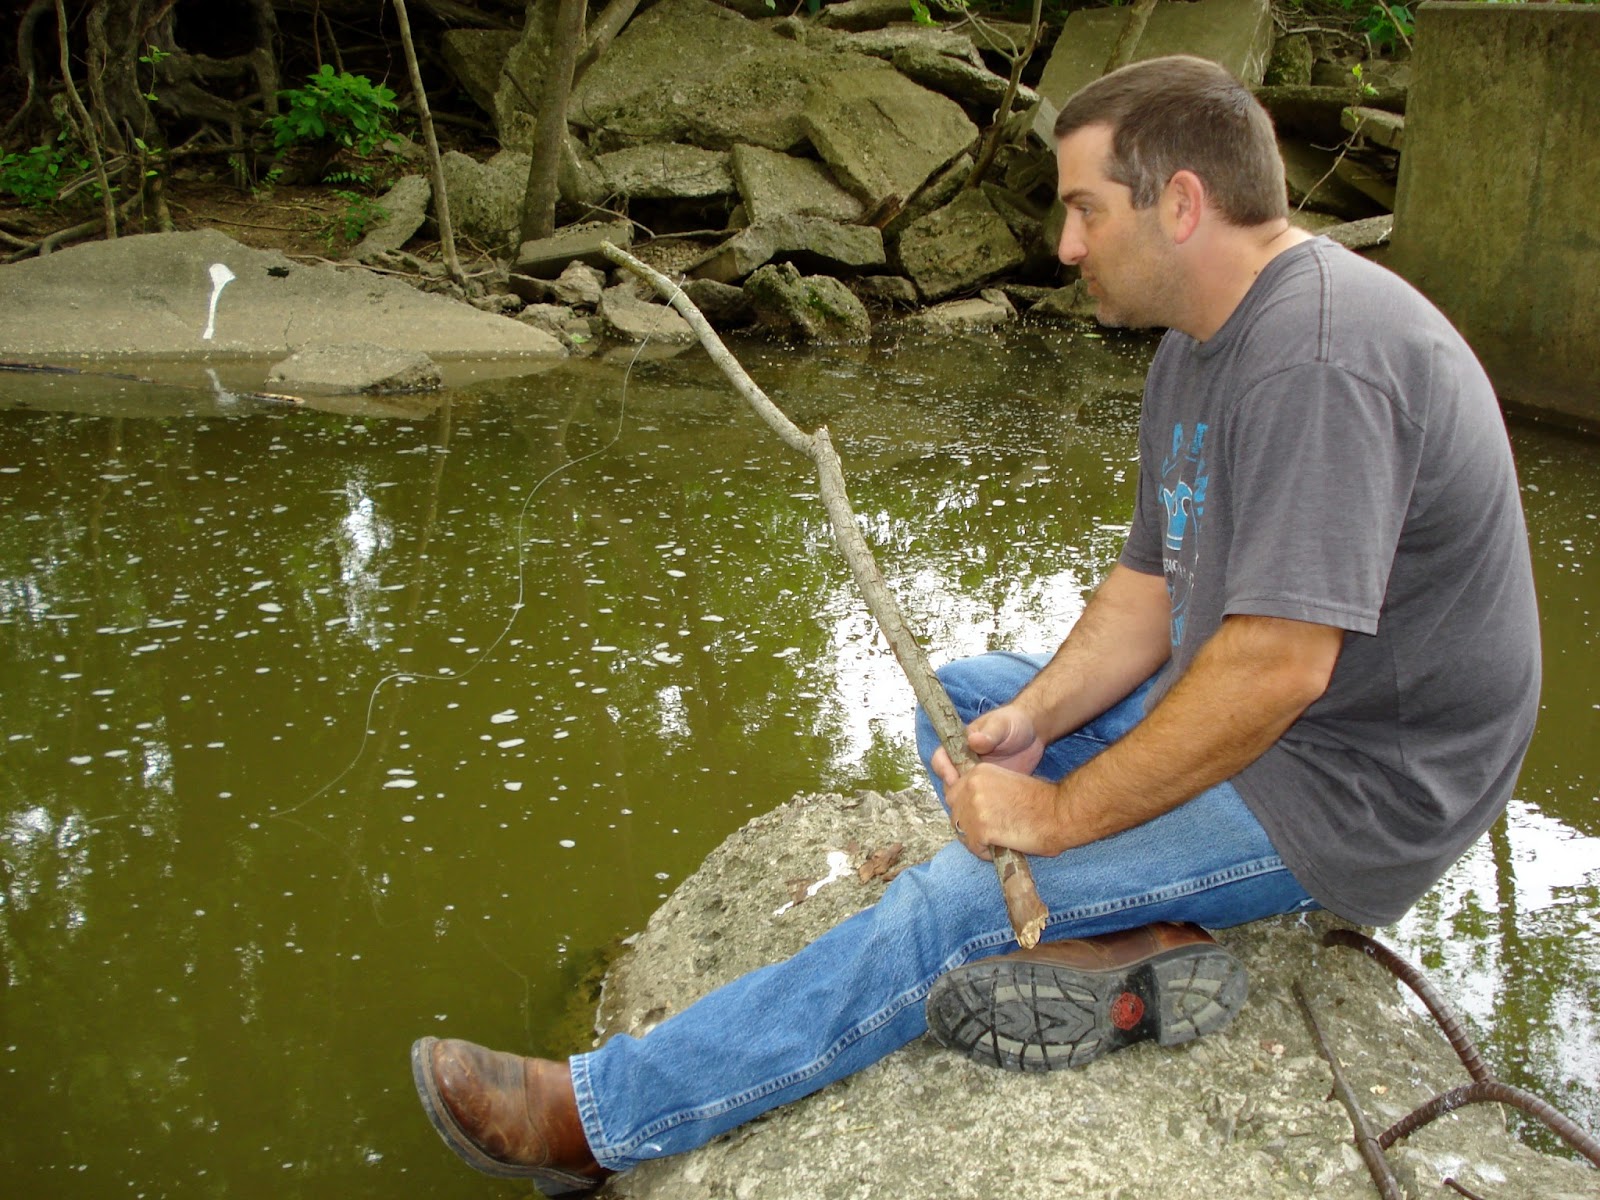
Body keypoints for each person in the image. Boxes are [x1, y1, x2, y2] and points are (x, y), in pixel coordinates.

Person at [409, 55, 1541, 1194]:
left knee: (953, 901)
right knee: (962, 700)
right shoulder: (1197, 350)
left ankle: (599, 1118)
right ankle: (1131, 934)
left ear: (1181, 203)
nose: (1065, 244)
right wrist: (1035, 720)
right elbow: (1149, 591)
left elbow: (1277, 668)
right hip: (1267, 715)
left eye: (1085, 208)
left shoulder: (1321, 357)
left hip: (1353, 785)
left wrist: (1059, 814)